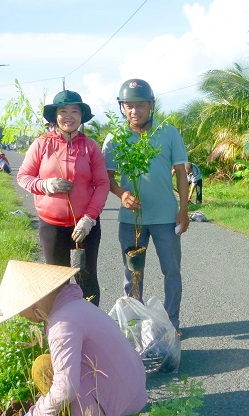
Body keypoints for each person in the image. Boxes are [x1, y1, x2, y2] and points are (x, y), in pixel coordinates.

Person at [0, 260, 147, 416]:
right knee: (43, 365)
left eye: (22, 313)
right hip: (134, 395)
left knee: (47, 374)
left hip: (120, 413)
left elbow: (65, 389)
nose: (26, 319)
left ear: (33, 303)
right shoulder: (76, 306)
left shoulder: (61, 325)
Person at [103, 78, 190, 337]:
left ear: (151, 105)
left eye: (139, 105)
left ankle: (171, 323)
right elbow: (107, 177)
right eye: (128, 106)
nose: (134, 111)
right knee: (132, 273)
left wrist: (183, 210)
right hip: (131, 219)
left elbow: (181, 173)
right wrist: (121, 193)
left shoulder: (168, 132)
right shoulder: (115, 138)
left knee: (171, 270)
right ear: (121, 108)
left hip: (165, 217)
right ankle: (135, 325)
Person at [17, 90, 110, 306]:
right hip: (52, 227)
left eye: (74, 111)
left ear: (81, 116)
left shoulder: (90, 147)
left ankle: (89, 327)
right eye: (63, 111)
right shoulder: (42, 144)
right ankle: (58, 330)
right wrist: (44, 185)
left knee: (86, 280)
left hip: (85, 227)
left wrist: (89, 218)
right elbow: (23, 177)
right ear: (55, 116)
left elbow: (102, 184)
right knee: (55, 281)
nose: (68, 116)